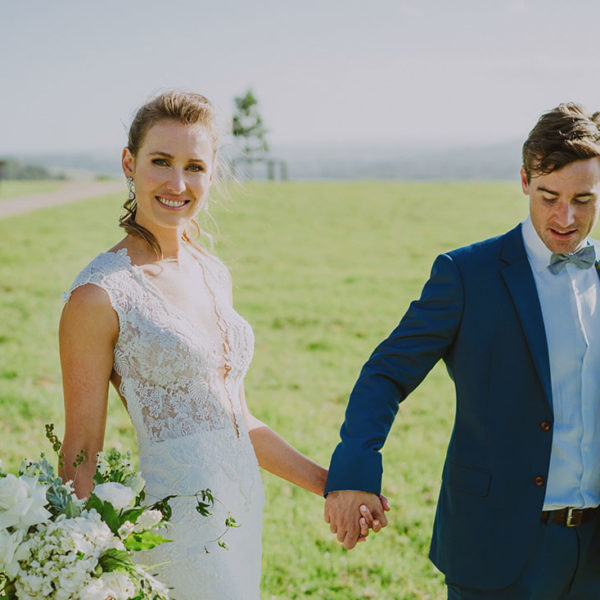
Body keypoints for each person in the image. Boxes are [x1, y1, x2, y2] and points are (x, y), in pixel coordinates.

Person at [59, 91, 378, 600]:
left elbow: (232, 418)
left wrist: (331, 484)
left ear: (211, 175)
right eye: (160, 162)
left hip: (240, 512)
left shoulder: (211, 271)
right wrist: (67, 565)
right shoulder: (100, 295)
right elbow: (81, 450)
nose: (177, 183)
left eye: (194, 167)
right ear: (129, 163)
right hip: (173, 526)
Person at [324, 102, 600, 599]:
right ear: (523, 181)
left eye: (583, 199)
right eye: (549, 196)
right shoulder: (466, 274)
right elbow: (386, 373)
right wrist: (354, 473)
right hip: (498, 548)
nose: (566, 216)